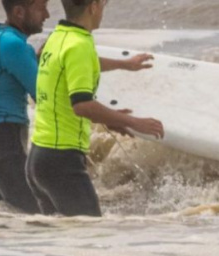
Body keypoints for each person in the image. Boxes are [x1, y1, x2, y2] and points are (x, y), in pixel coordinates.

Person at [27, 0, 164, 217]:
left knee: (58, 241)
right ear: (93, 7)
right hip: (62, 161)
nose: (102, 11)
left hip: (39, 159)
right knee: (91, 237)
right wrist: (132, 122)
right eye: (103, 5)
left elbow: (79, 64)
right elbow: (82, 105)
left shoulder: (57, 37)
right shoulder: (79, 45)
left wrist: (125, 64)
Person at [0, 0, 50, 213]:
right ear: (18, 12)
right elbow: (44, 95)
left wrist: (33, 60)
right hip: (6, 151)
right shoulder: (15, 46)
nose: (46, 15)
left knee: (12, 224)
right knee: (39, 219)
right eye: (41, 8)